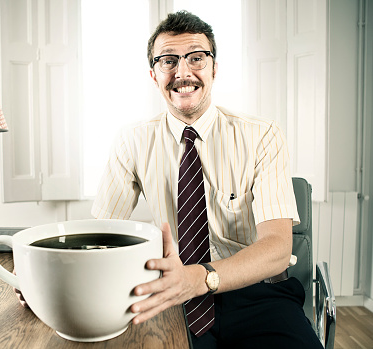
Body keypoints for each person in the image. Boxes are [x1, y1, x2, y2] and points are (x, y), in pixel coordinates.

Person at [89, 10, 324, 349]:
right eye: (168, 61)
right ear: (153, 75)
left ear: (215, 68)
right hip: (173, 297)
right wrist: (53, 279)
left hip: (258, 294)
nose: (182, 73)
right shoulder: (132, 141)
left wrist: (200, 278)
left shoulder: (263, 136)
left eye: (196, 58)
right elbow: (101, 235)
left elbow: (276, 249)